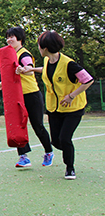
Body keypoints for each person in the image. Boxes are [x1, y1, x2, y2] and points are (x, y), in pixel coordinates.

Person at [36, 30, 94, 180]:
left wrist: (71, 96)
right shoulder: (47, 61)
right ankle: (69, 149)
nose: (39, 49)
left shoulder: (69, 64)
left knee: (65, 138)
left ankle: (70, 168)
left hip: (72, 108)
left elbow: (88, 80)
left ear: (46, 48)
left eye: (39, 46)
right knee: (56, 141)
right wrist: (30, 70)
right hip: (54, 108)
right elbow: (48, 72)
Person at [0, 27, 54, 168]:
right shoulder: (9, 54)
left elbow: (28, 68)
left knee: (37, 125)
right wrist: (3, 83)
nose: (9, 40)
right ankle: (23, 157)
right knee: (17, 126)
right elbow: (12, 75)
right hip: (17, 96)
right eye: (7, 37)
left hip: (32, 95)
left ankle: (48, 152)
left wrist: (24, 68)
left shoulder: (24, 54)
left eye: (12, 37)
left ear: (20, 39)